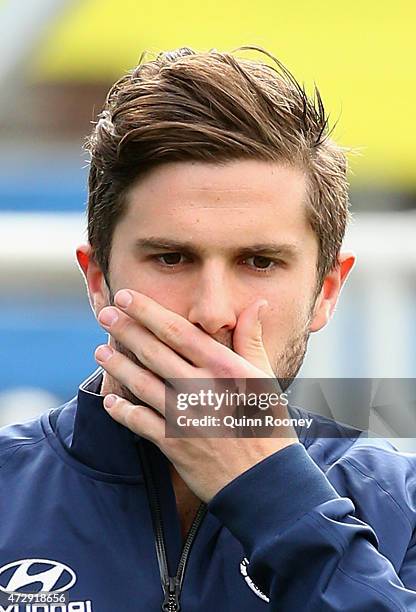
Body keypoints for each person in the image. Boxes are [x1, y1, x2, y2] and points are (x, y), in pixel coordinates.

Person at [0, 47, 415, 612]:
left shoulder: (402, 506)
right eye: (171, 258)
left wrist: (276, 497)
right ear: (97, 278)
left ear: (326, 292)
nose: (212, 311)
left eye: (260, 262)